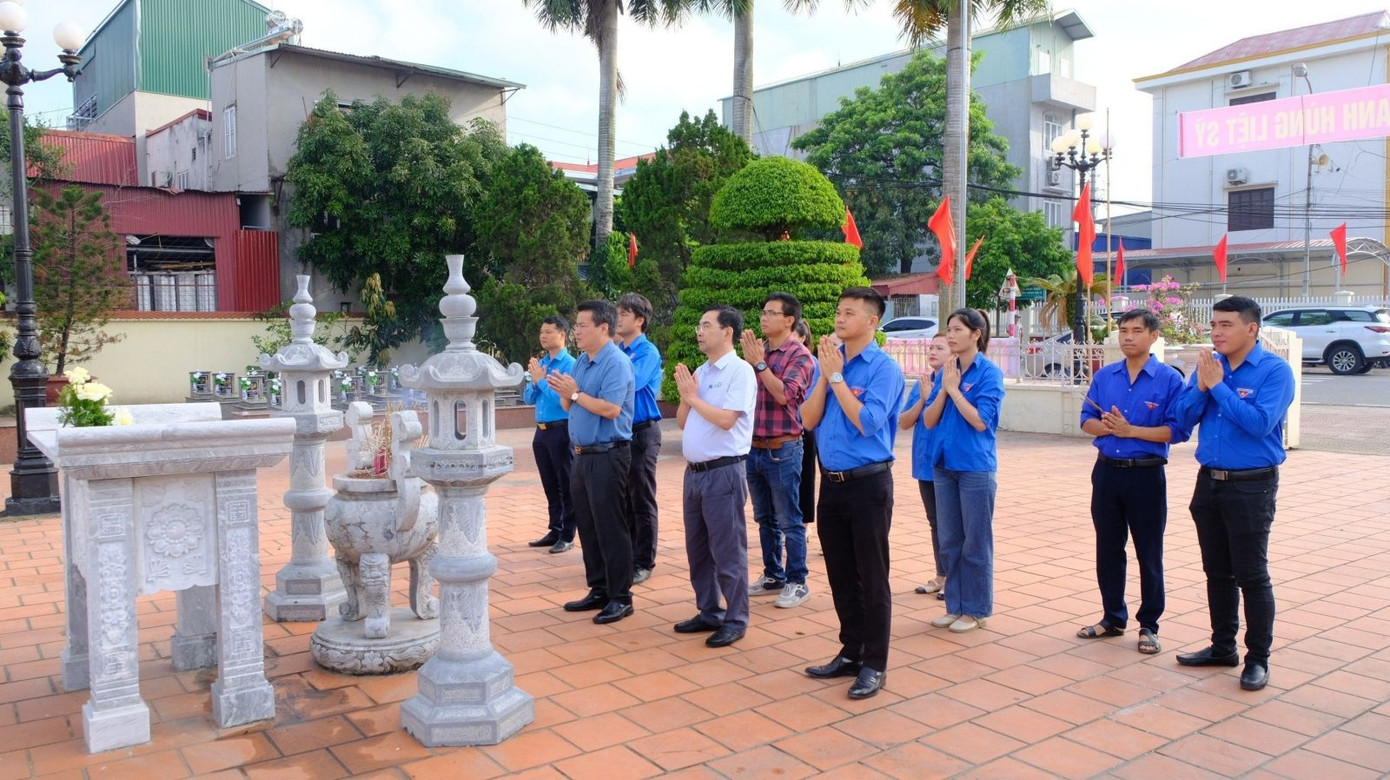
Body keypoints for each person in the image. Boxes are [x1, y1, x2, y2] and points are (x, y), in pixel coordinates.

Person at [1171, 296, 1295, 692]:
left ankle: (1257, 658)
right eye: (1213, 325)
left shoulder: (1274, 372)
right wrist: (1202, 387)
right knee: (1217, 571)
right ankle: (1222, 647)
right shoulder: (1210, 366)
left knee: (1251, 574)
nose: (1217, 332)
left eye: (1226, 324)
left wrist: (1218, 388)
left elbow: (1259, 424)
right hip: (1209, 482)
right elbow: (1182, 418)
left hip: (1251, 485)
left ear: (1251, 328)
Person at [801, 287, 903, 700]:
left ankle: (875, 663)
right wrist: (826, 375)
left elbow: (868, 422)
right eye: (839, 311)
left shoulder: (884, 369)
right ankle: (851, 651)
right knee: (841, 575)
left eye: (849, 313)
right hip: (831, 484)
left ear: (872, 322)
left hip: (868, 485)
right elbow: (808, 420)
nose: (840, 319)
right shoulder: (828, 362)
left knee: (872, 577)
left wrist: (837, 377)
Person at [1076, 309, 1187, 654]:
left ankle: (1149, 625)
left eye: (1136, 331)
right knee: (1108, 547)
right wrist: (1109, 428)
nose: (1127, 337)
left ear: (1153, 336)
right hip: (1107, 472)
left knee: (1148, 551)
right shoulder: (1105, 376)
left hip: (1146, 475)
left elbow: (1178, 431)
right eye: (1123, 330)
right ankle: (1112, 617)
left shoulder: (1169, 380)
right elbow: (1086, 420)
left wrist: (1131, 430)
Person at [547, 300, 637, 625]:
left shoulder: (616, 362)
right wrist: (565, 392)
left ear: (604, 327)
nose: (577, 331)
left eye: (583, 325)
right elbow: (569, 405)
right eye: (576, 325)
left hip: (609, 454)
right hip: (582, 455)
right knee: (587, 524)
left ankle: (621, 597)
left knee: (610, 525)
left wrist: (574, 393)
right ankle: (599, 588)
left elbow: (611, 409)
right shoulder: (582, 362)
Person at [673, 305, 757, 649]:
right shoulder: (702, 371)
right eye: (699, 325)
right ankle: (709, 610)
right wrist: (686, 398)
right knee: (697, 549)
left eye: (706, 325)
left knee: (728, 551)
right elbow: (683, 421)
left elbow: (726, 420)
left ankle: (735, 619)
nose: (699, 331)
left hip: (723, 472)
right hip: (694, 474)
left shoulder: (740, 372)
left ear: (727, 332)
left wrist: (693, 398)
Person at [923, 308, 1005, 635]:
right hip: (944, 465)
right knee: (950, 540)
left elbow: (981, 421)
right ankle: (955, 605)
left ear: (976, 334)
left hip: (974, 467)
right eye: (949, 329)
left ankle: (976, 609)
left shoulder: (989, 373)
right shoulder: (947, 370)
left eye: (957, 329)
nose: (951, 335)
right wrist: (945, 387)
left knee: (976, 542)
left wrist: (956, 391)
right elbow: (929, 420)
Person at [742, 293, 815, 608]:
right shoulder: (760, 350)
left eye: (771, 313)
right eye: (763, 311)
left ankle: (798, 581)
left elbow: (785, 395)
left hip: (783, 448)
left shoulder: (800, 356)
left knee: (789, 519)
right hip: (754, 447)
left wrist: (758, 364)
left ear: (789, 320)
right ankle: (773, 575)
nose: (764, 317)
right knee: (764, 518)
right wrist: (755, 361)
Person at [616, 293, 664, 585]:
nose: (618, 318)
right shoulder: (618, 350)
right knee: (623, 497)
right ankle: (628, 555)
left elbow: (630, 382)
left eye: (624, 314)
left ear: (639, 320)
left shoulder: (647, 351)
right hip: (620, 431)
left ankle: (644, 561)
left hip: (642, 431)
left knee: (641, 496)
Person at [898, 333, 949, 598]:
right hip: (925, 463)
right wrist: (922, 398)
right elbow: (904, 422)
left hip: (947, 464)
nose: (932, 351)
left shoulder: (954, 382)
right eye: (931, 347)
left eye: (940, 348)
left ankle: (954, 578)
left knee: (950, 523)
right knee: (935, 522)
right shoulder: (923, 382)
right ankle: (941, 575)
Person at [523, 315, 578, 554]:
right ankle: (555, 529)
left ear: (562, 335)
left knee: (566, 483)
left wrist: (541, 381)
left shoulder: (570, 365)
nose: (543, 336)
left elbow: (562, 400)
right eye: (541, 332)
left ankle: (567, 534)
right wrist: (536, 381)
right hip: (541, 431)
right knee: (550, 484)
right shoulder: (542, 364)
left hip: (561, 429)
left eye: (548, 332)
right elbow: (527, 398)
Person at [794, 320, 819, 527]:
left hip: (804, 426)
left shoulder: (812, 363)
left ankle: (804, 522)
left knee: (805, 475)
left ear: (803, 338)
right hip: (780, 429)